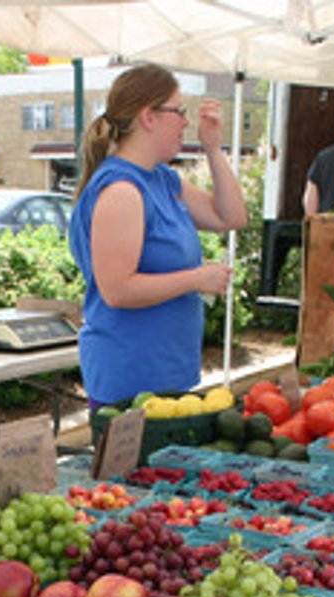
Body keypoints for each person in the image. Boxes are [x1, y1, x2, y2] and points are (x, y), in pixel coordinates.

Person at [69, 63, 247, 406]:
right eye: (178, 111)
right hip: (130, 382)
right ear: (149, 116)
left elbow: (231, 216)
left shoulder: (163, 180)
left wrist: (212, 148)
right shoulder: (121, 191)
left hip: (168, 375)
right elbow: (117, 290)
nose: (185, 121)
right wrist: (196, 278)